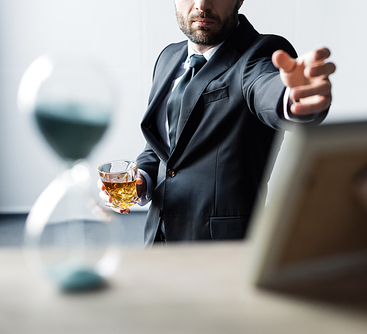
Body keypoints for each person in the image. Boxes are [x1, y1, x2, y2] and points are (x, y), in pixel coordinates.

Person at [99, 0, 336, 244]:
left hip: (221, 247)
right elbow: (162, 148)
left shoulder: (259, 53)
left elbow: (267, 87)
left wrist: (294, 97)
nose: (202, 4)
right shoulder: (168, 58)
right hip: (156, 243)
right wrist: (142, 180)